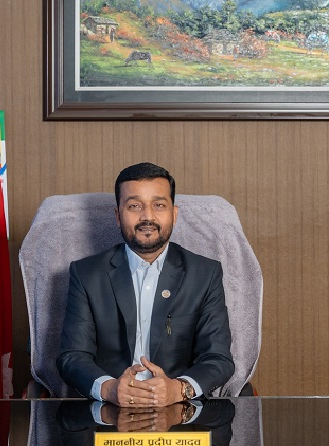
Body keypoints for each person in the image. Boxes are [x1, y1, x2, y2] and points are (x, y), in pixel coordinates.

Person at [57, 162, 234, 408]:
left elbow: (218, 359)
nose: (147, 217)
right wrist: (109, 389)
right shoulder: (86, 274)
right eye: (134, 206)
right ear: (118, 216)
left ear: (174, 213)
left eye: (159, 205)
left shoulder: (205, 273)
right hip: (108, 411)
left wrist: (178, 389)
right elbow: (72, 357)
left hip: (180, 412)